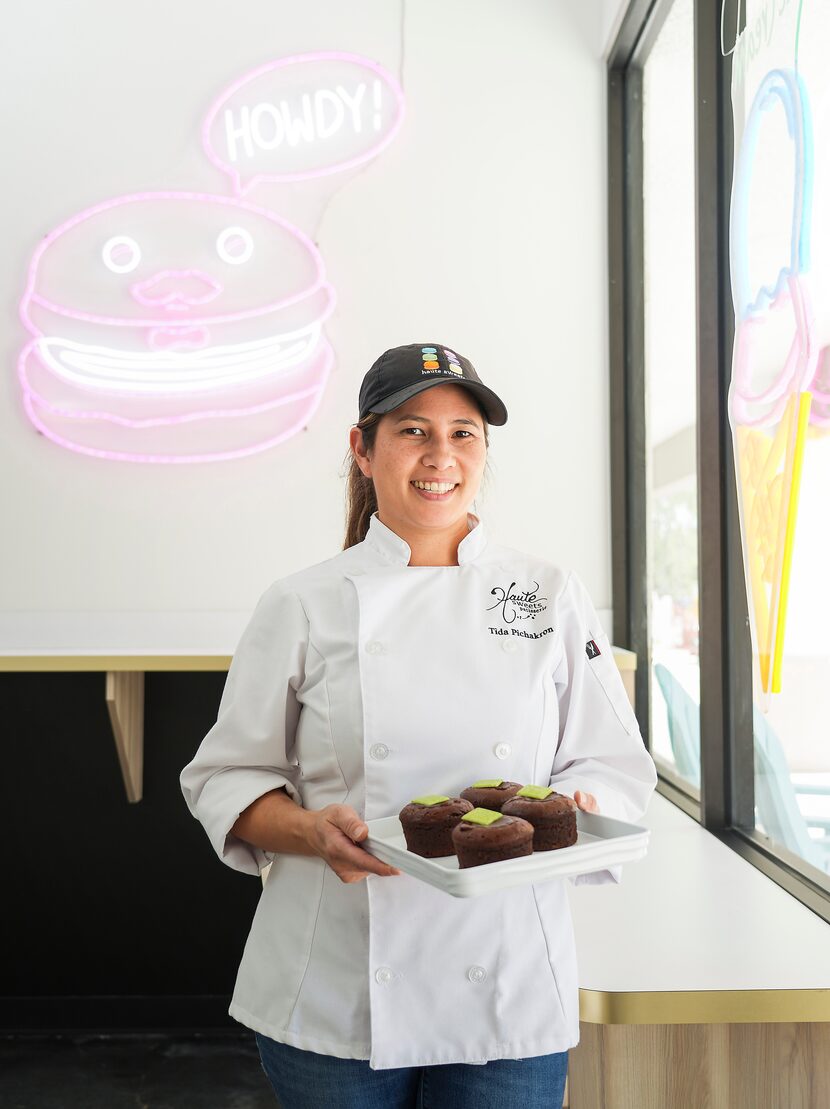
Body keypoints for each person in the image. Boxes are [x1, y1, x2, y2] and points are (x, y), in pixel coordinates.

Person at [180, 342, 657, 1109]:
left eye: (463, 432)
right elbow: (226, 775)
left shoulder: (546, 591)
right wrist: (309, 831)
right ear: (362, 450)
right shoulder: (304, 601)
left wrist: (582, 809)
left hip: (505, 983)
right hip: (338, 983)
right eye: (413, 430)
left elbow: (609, 760)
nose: (441, 454)